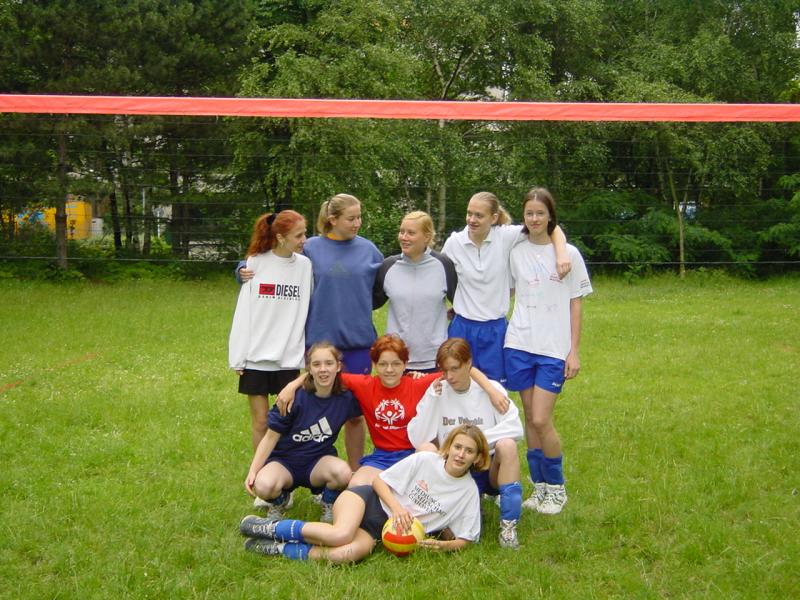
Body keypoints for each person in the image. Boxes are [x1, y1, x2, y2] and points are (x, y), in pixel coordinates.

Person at [238, 194, 383, 470]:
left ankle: (354, 473)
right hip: (318, 345)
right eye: (351, 218)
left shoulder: (370, 251)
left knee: (355, 416)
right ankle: (298, 468)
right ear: (333, 219)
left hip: (358, 345)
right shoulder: (310, 248)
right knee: (310, 413)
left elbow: (380, 290)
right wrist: (242, 269)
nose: (357, 223)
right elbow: (276, 262)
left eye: (359, 217)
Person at [277, 334, 507, 489]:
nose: (389, 370)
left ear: (405, 364)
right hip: (382, 456)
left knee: (416, 483)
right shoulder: (364, 385)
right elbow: (325, 373)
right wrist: (291, 385)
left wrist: (490, 390)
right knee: (356, 486)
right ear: (374, 365)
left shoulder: (417, 384)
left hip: (413, 453)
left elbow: (464, 369)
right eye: (383, 364)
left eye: (396, 364)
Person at [239, 424, 490, 563]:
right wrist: (398, 508)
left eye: (469, 451)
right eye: (457, 446)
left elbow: (466, 539)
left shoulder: (468, 492)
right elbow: (379, 481)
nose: (461, 454)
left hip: (380, 529)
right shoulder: (425, 460)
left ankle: (279, 549)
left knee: (345, 554)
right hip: (368, 500)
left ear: (478, 458)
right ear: (448, 446)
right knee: (340, 534)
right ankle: (269, 528)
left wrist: (441, 546)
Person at [504, 187, 593, 515]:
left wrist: (574, 351)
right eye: (529, 213)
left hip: (553, 349)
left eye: (540, 213)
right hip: (518, 344)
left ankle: (557, 488)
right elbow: (503, 291)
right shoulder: (514, 250)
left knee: (542, 419)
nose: (534, 218)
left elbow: (576, 304)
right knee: (529, 418)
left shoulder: (569, 254)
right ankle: (539, 487)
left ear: (551, 215)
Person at [441, 191, 571, 384]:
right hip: (462, 328)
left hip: (495, 330)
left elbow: (552, 228)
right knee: (456, 384)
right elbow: (440, 278)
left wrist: (562, 254)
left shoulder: (505, 236)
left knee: (495, 389)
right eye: (469, 213)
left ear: (493, 218)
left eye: (479, 215)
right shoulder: (454, 243)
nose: (472, 220)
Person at [408, 338, 524, 548]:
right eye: (445, 370)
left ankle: (508, 526)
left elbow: (516, 428)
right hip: (453, 470)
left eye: (455, 369)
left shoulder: (490, 389)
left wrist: (474, 443)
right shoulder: (437, 391)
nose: (449, 376)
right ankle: (431, 517)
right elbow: (417, 438)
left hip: (486, 466)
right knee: (425, 449)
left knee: (508, 445)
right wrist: (432, 400)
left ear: (469, 363)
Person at [244, 343, 362, 523]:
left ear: (338, 366)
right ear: (308, 369)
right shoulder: (291, 398)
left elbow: (357, 421)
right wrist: (253, 471)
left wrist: (356, 469)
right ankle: (279, 501)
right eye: (316, 364)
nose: (323, 369)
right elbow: (270, 438)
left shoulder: (345, 398)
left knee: (343, 473)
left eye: (329, 363)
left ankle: (328, 502)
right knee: (263, 485)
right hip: (284, 462)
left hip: (317, 462)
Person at [228, 210, 311, 451]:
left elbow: (306, 309)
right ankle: (260, 471)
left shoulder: (305, 266)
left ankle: (286, 470)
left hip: (288, 358)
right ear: (280, 237)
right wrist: (238, 356)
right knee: (261, 422)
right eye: (299, 235)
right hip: (255, 358)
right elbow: (244, 311)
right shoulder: (255, 263)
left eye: (305, 233)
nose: (304, 240)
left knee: (289, 421)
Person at [373, 211, 457, 372]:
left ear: (427, 237)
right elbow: (370, 303)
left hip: (435, 359)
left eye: (411, 233)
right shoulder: (387, 266)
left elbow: (461, 303)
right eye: (402, 232)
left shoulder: (444, 265)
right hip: (396, 360)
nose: (403, 237)